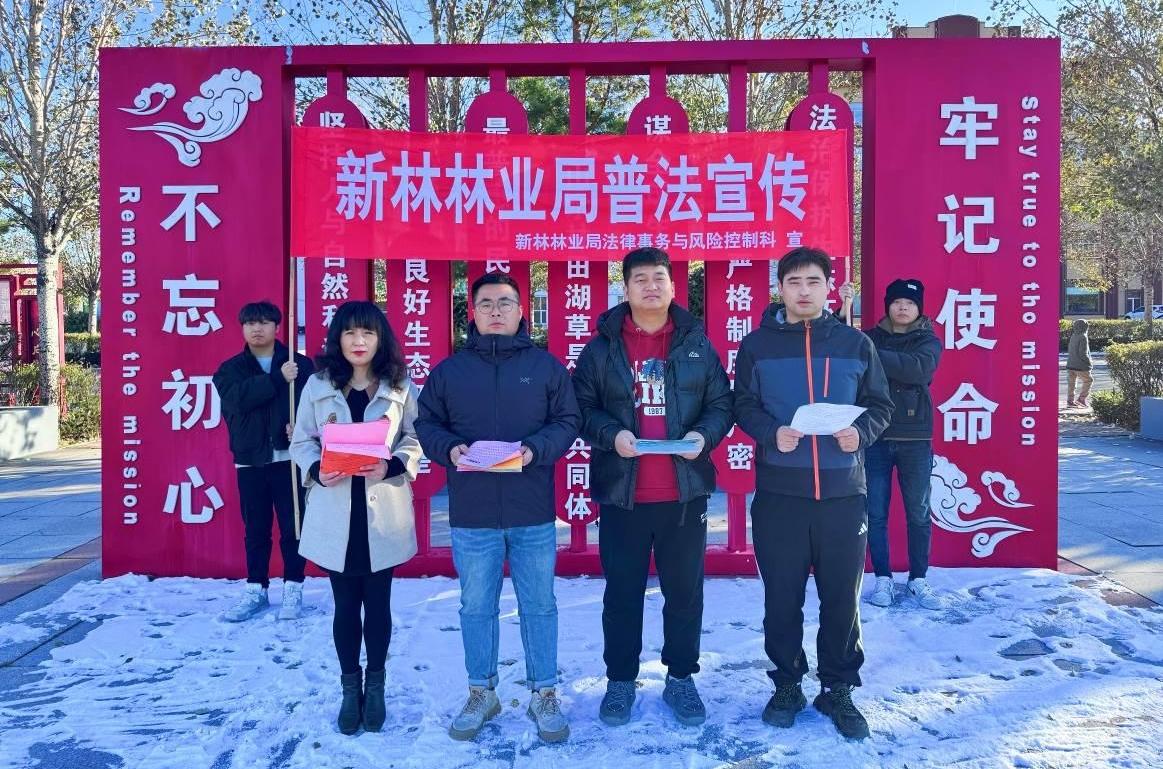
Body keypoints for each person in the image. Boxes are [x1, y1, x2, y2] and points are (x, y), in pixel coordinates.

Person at [733, 247, 893, 741]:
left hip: (844, 494)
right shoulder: (757, 345)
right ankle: (787, 684)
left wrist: (860, 434)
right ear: (779, 288)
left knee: (841, 598)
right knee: (782, 598)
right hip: (780, 494)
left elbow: (880, 405)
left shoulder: (855, 344)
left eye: (813, 282)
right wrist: (770, 432)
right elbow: (743, 405)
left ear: (829, 288)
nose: (804, 291)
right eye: (794, 282)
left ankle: (837, 688)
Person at [572, 248, 734, 728]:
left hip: (684, 494)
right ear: (625, 288)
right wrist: (611, 436)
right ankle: (620, 680)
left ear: (672, 286)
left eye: (658, 277)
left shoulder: (696, 345)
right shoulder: (601, 348)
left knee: (684, 594)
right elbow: (581, 408)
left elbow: (721, 404)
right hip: (623, 493)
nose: (650, 286)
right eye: (639, 279)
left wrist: (703, 437)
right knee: (622, 594)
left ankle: (680, 678)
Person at [415, 272, 580, 744]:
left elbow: (567, 420)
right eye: (485, 303)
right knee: (475, 606)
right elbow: (427, 423)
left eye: (505, 303)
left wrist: (534, 449)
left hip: (531, 509)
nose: (495, 311)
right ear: (473, 311)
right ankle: (481, 692)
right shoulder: (450, 371)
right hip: (473, 512)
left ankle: (543, 692)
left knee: (539, 605)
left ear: (520, 311)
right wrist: (449, 449)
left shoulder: (545, 367)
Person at [290, 300, 423, 735]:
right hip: (336, 511)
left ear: (380, 339)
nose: (359, 341)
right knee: (346, 605)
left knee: (378, 605)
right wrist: (316, 469)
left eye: (368, 332)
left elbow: (416, 437)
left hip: (381, 513)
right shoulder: (318, 385)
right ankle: (351, 689)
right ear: (338, 339)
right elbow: (301, 441)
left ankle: (377, 686)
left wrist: (392, 465)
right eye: (350, 332)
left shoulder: (400, 385)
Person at [213, 301, 314, 623]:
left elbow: (315, 408)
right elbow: (236, 400)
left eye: (264, 322)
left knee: (293, 527)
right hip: (251, 461)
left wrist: (301, 427)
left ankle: (293, 587)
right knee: (256, 529)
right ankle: (256, 589)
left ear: (277, 327)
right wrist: (277, 380)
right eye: (250, 323)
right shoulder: (231, 369)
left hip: (290, 460)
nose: (257, 328)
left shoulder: (300, 365)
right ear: (242, 328)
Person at [863, 279, 943, 610]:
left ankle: (918, 578)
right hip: (875, 436)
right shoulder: (870, 335)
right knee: (875, 512)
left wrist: (873, 355)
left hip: (915, 438)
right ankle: (882, 577)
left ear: (918, 308)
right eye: (897, 302)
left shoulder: (928, 339)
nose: (903, 307)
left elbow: (918, 370)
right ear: (888, 306)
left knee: (919, 512)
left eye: (909, 303)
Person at [1066, 319, 1093, 408]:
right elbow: (1083, 353)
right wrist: (1089, 363)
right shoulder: (1083, 337)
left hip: (1070, 364)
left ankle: (1070, 401)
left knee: (1072, 383)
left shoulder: (1073, 336)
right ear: (1085, 327)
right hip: (1080, 366)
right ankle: (1081, 399)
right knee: (1088, 380)